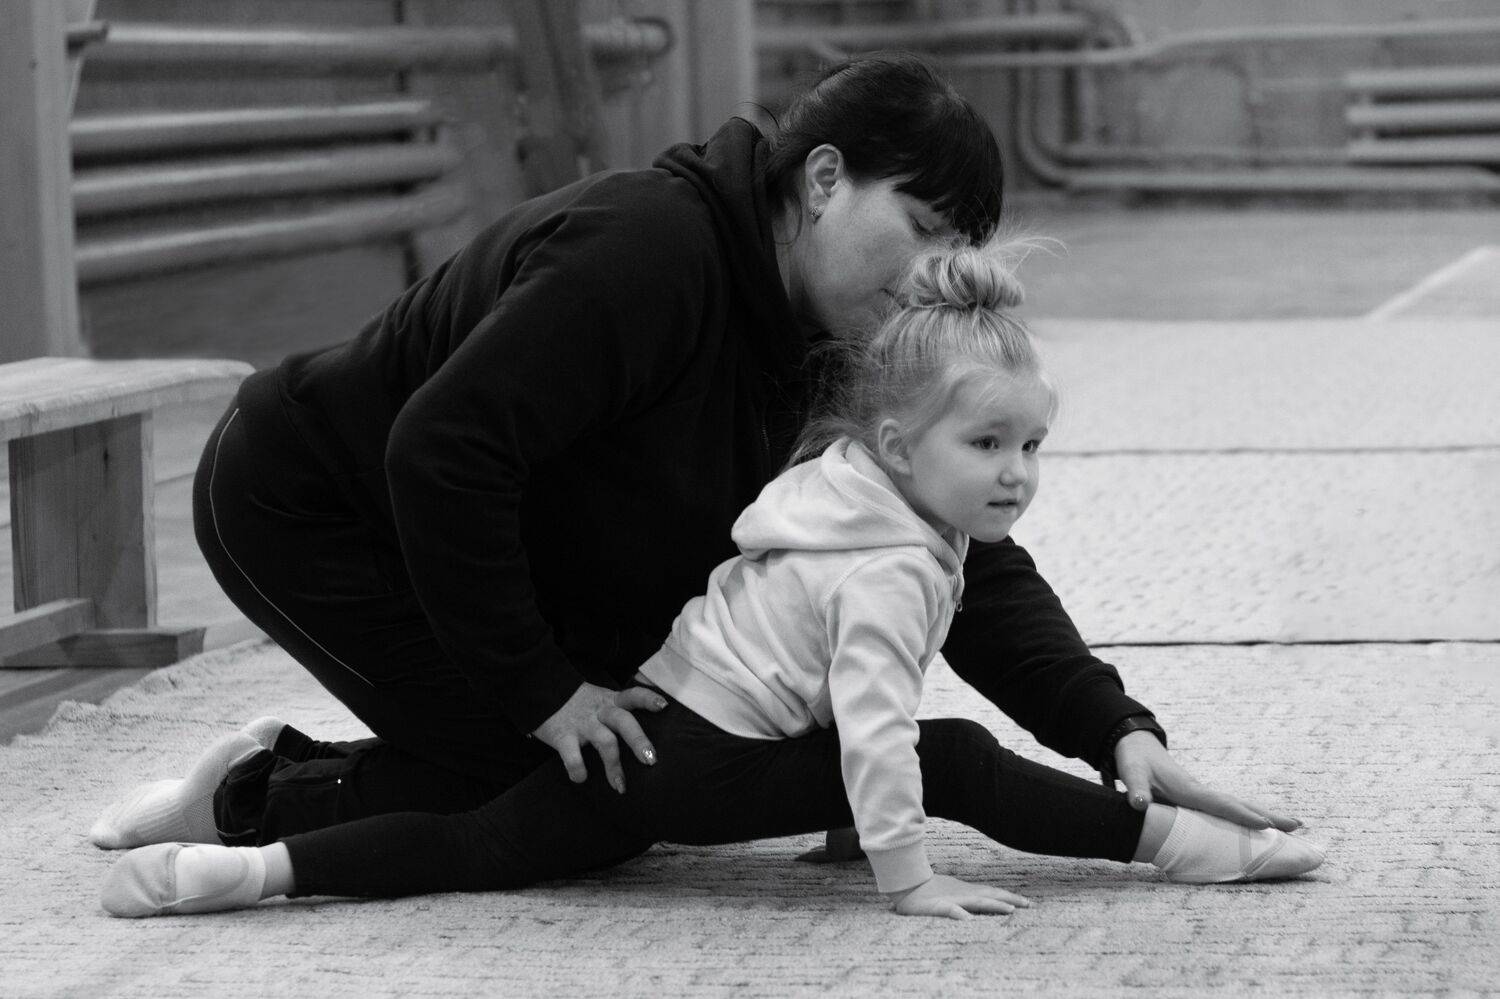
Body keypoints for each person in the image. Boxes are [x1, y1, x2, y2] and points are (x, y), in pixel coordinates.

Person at [91, 53, 1303, 885]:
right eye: (921, 229)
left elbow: (942, 536)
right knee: (567, 785)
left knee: (637, 766)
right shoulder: (647, 254)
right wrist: (544, 691)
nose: (928, 276)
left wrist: (1110, 726)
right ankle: (252, 795)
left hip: (498, 526)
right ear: (823, 179)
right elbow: (440, 452)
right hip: (312, 502)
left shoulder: (844, 331)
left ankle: (318, 772)